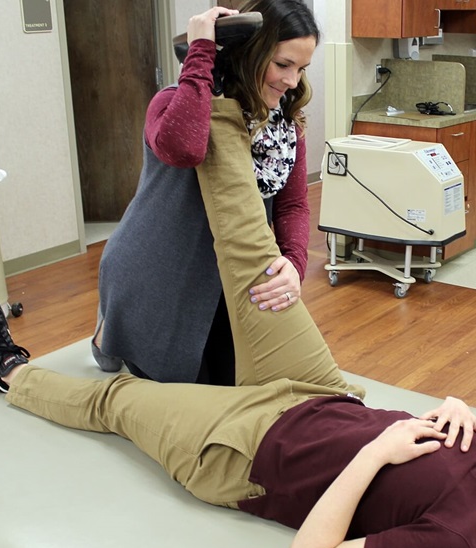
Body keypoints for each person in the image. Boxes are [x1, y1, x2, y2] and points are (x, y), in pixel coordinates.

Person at [0, 88, 476, 548]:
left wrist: (381, 450)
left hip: (246, 452)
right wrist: (449, 409)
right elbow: (445, 450)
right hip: (322, 395)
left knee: (117, 400)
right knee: (252, 256)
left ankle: (8, 372)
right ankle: (223, 94)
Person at [92, 0, 318, 386]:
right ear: (250, 53)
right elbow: (185, 149)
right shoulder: (172, 102)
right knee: (165, 388)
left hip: (221, 282)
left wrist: (294, 264)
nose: (292, 81)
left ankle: (112, 332)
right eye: (282, 65)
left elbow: (293, 205)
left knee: (232, 387)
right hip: (153, 272)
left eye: (301, 68)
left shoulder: (284, 129)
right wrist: (202, 51)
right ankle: (108, 335)